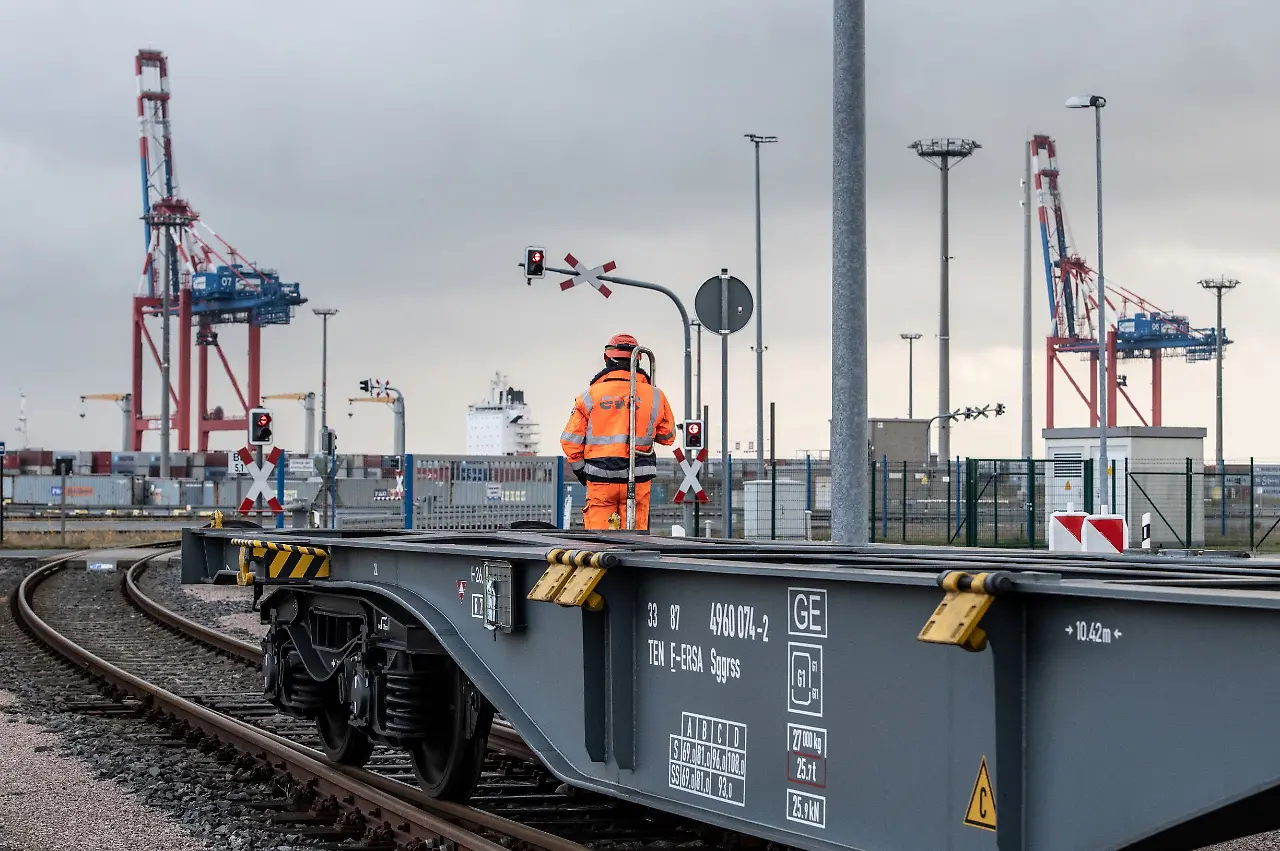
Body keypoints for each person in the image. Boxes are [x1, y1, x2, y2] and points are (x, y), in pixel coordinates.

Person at [561, 334, 675, 531]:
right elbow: (667, 437)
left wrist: (582, 472)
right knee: (636, 542)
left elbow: (570, 442)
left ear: (607, 359)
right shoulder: (656, 395)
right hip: (638, 477)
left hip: (600, 480)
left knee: (599, 544)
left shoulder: (589, 396)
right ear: (638, 360)